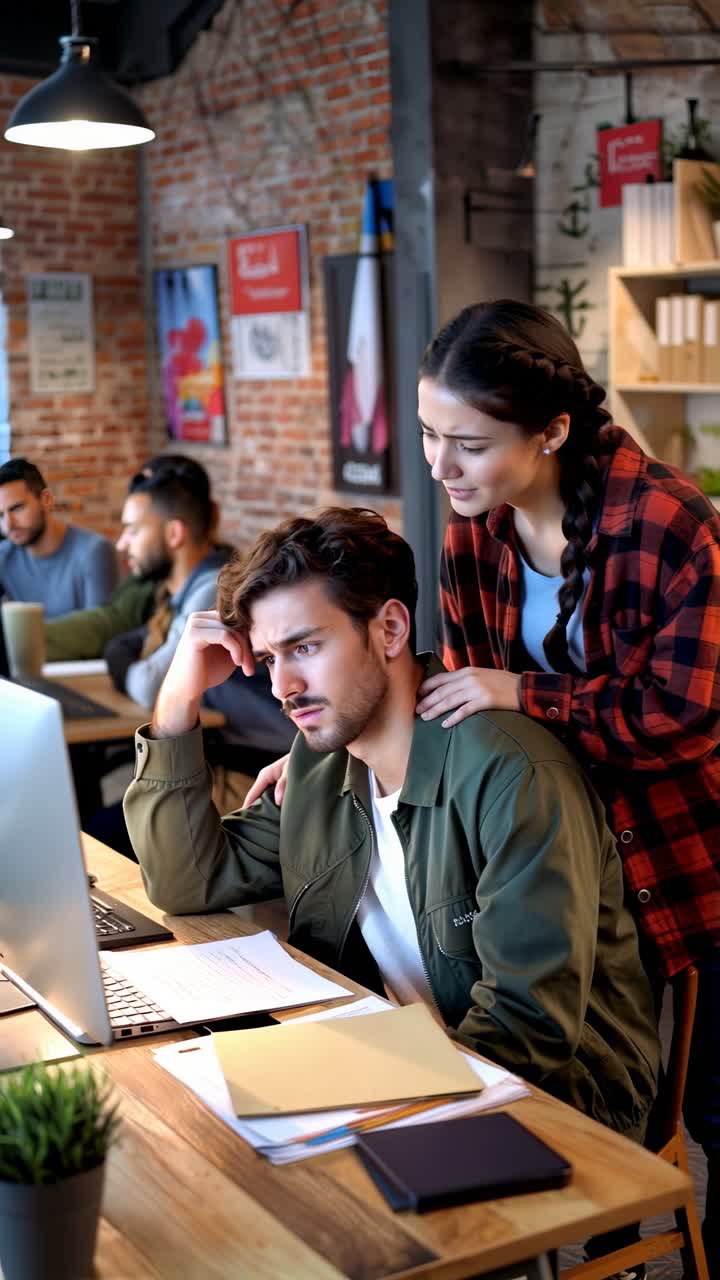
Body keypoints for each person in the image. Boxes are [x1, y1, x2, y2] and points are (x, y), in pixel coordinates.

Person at [123, 506, 659, 1146]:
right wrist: (179, 704)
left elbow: (526, 1029)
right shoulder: (319, 764)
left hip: (562, 1091)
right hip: (401, 1065)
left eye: (306, 647)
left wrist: (347, 1088)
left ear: (391, 629)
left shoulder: (510, 774)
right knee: (191, 1139)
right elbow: (188, 881)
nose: (283, 687)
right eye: (268, 659)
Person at [413, 298, 720, 1271]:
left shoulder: (673, 525)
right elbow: (470, 704)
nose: (439, 466)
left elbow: (682, 717)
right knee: (578, 1094)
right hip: (563, 864)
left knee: (710, 1111)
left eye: (467, 442)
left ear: (551, 431)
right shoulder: (478, 522)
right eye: (428, 433)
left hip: (688, 856)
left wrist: (525, 689)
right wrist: (344, 738)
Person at [0, 457, 118, 617]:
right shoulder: (4, 558)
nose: (8, 525)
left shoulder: (94, 552)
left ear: (46, 499)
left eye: (17, 508)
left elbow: (101, 633)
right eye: (0, 515)